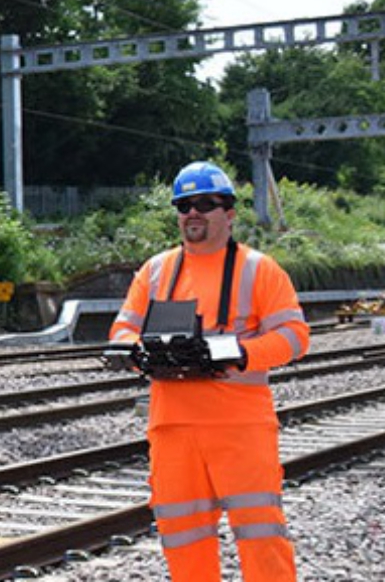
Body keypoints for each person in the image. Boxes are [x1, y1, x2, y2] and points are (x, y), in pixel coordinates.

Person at [109, 160, 309, 582]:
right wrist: (135, 351)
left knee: (260, 532)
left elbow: (294, 336)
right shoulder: (156, 271)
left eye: (204, 204)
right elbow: (124, 327)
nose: (192, 213)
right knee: (181, 534)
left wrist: (239, 352)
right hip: (173, 428)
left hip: (239, 427)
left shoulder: (258, 269)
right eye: (184, 206)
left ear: (229, 213)